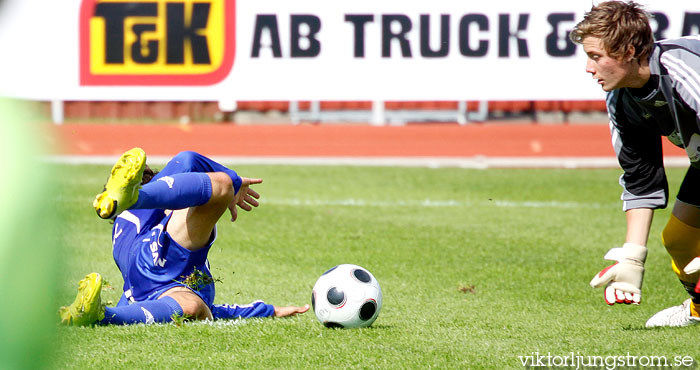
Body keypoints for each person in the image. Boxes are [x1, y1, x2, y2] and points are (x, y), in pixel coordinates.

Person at [60, 148, 309, 325]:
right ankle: (137, 195)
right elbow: (187, 159)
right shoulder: (139, 218)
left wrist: (269, 311)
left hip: (152, 279)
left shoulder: (126, 235)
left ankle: (100, 315)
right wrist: (234, 180)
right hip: (159, 260)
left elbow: (216, 311)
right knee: (221, 185)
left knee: (194, 307)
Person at [570, 0, 700, 327]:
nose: (589, 68)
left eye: (596, 56)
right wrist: (633, 258)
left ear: (628, 51)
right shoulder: (621, 97)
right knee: (680, 241)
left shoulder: (684, 70)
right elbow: (642, 179)